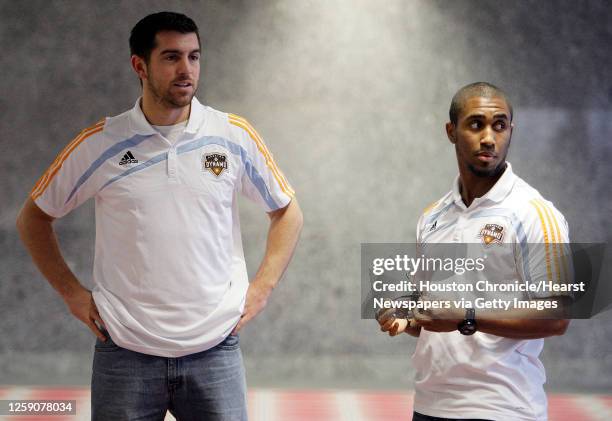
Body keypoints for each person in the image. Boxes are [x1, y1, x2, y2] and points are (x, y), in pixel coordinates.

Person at [16, 11, 303, 420]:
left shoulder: (232, 135)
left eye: (194, 56)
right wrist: (71, 293)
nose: (186, 69)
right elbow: (34, 217)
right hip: (125, 353)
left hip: (214, 351)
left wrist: (264, 287)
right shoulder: (101, 143)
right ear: (140, 65)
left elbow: (288, 210)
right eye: (171, 57)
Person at [379, 82, 570, 421]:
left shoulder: (535, 212)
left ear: (511, 130)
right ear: (451, 131)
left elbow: (557, 317)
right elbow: (432, 317)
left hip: (504, 408)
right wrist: (403, 315)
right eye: (476, 124)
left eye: (500, 125)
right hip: (430, 405)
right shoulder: (432, 215)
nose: (488, 138)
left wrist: (467, 317)